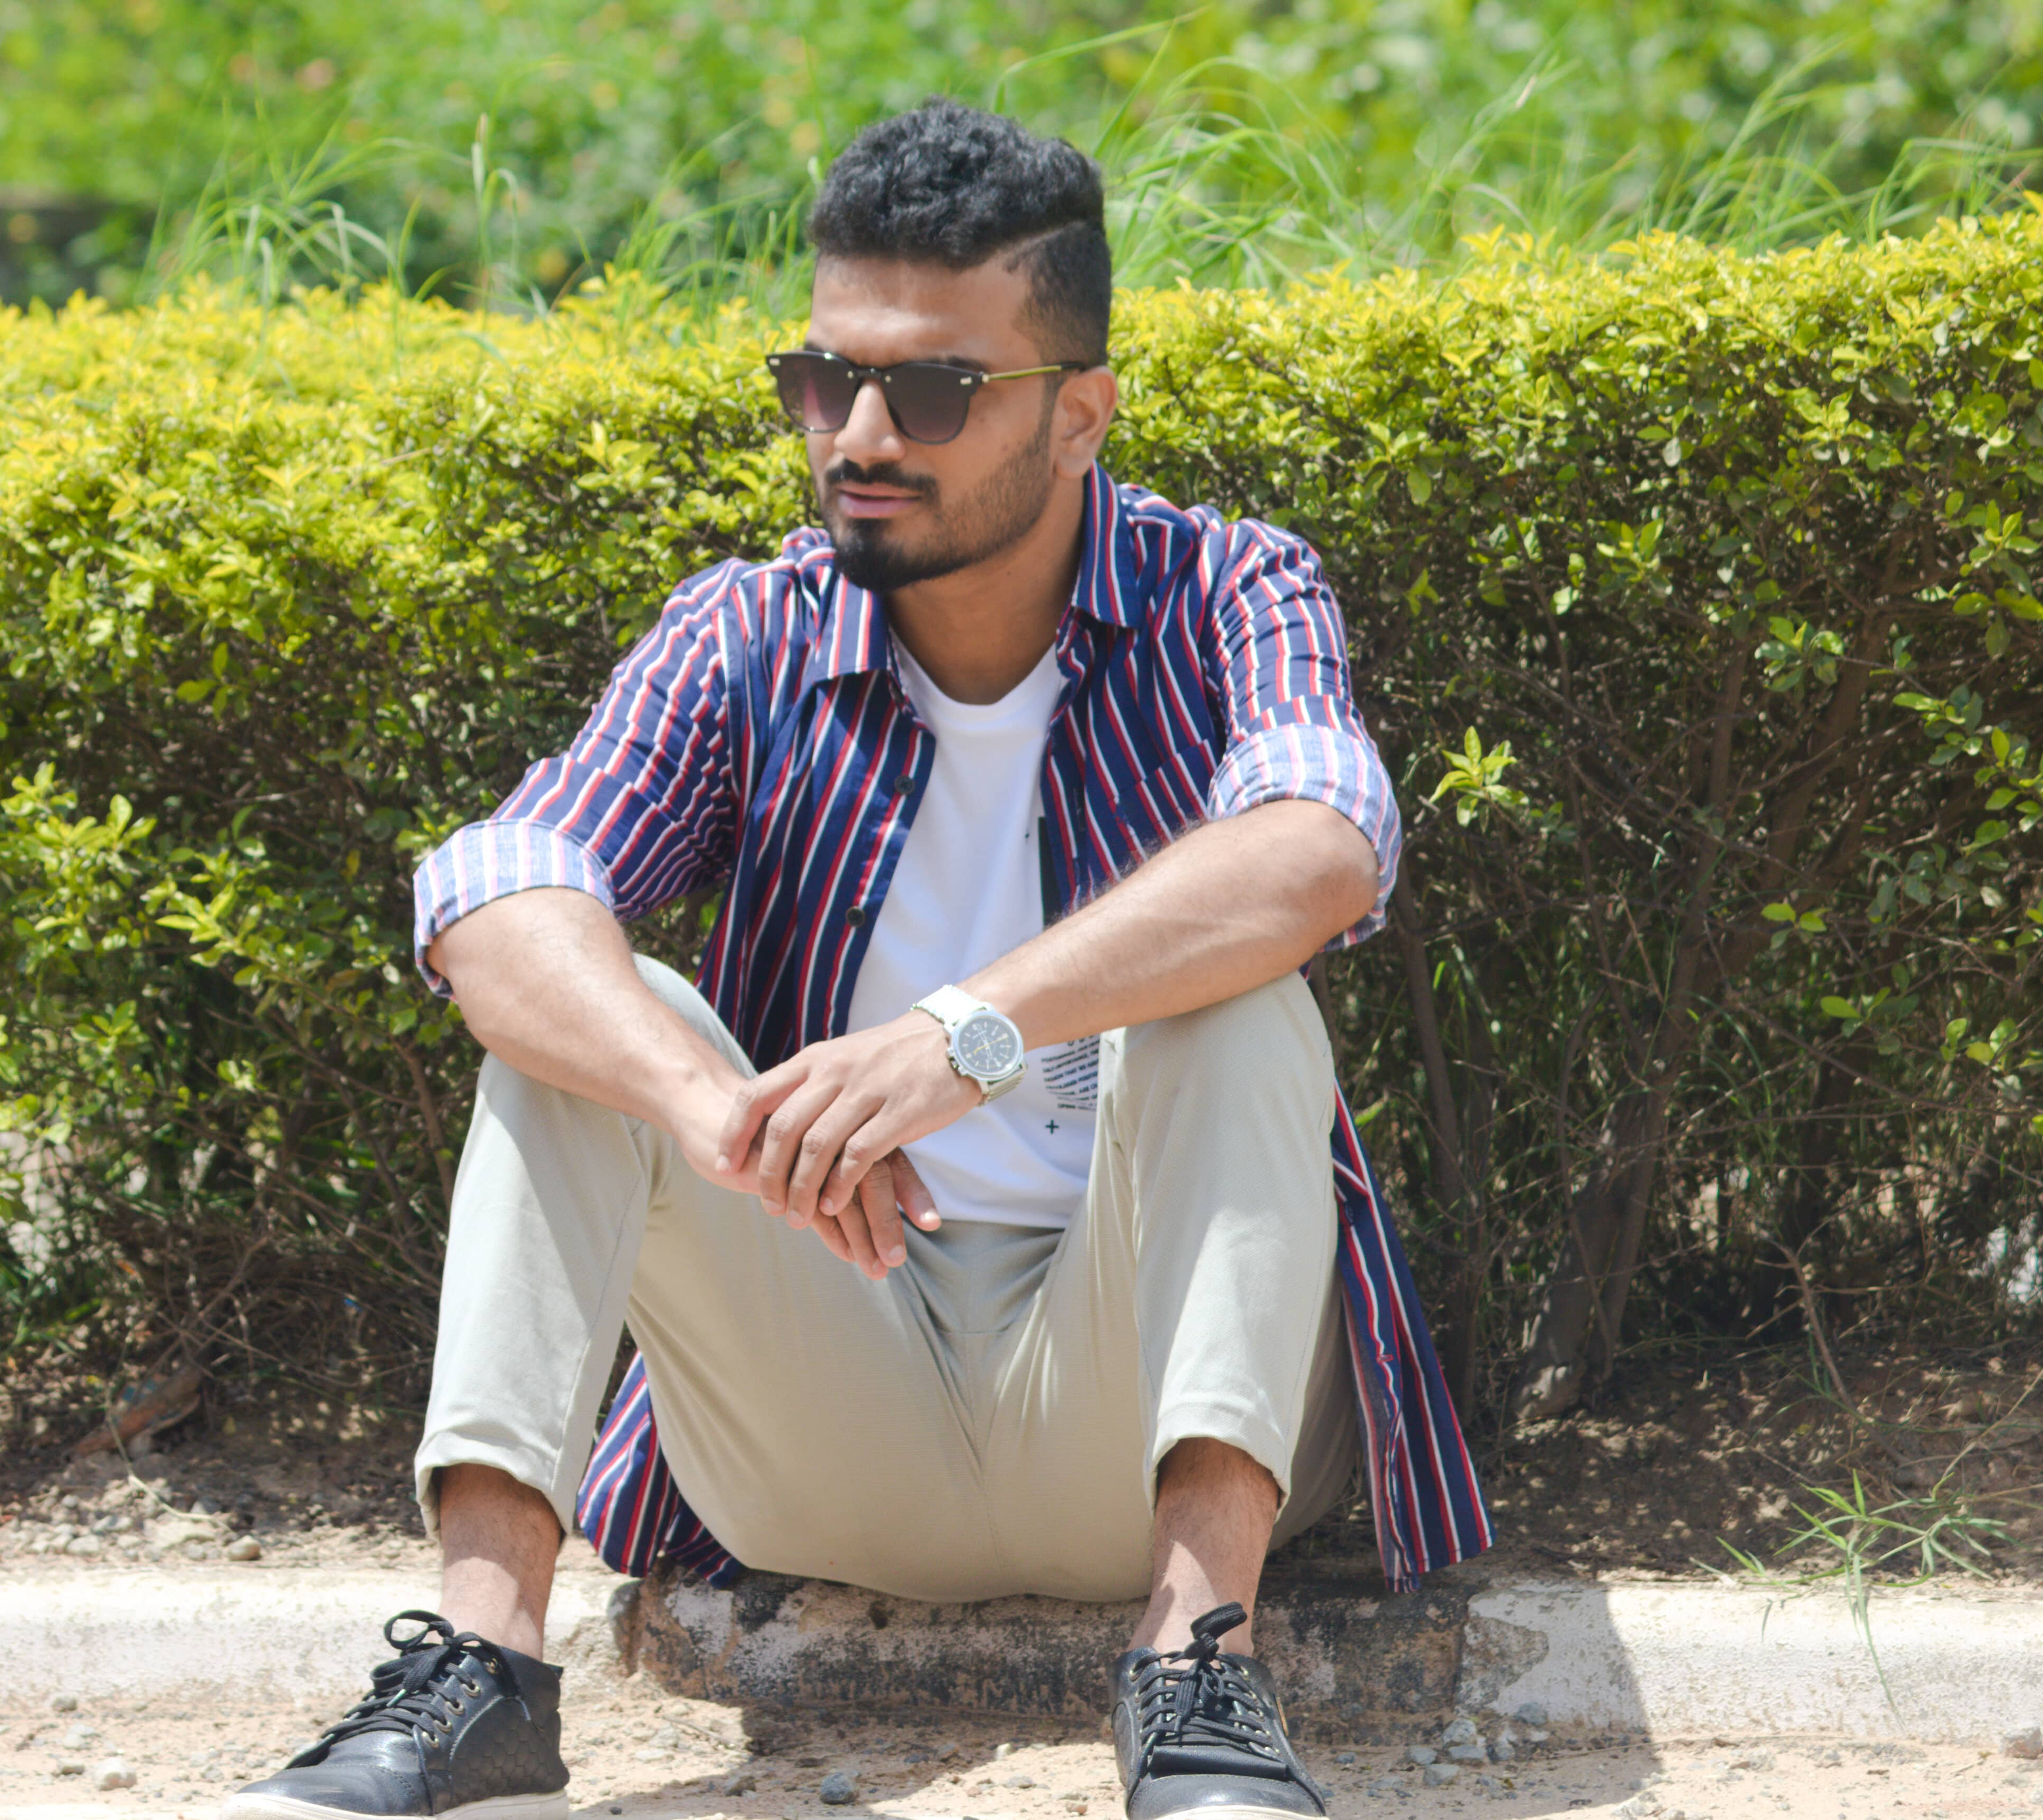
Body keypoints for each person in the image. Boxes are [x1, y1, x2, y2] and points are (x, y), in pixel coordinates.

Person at [224, 98, 1487, 1820]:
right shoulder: (743, 628)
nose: (860, 435)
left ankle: (1198, 1673)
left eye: (935, 390)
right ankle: (481, 1672)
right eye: (823, 381)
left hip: (1151, 1401)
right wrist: (711, 1110)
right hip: (831, 1403)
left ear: (1081, 410)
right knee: (589, 1020)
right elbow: (496, 891)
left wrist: (964, 1032)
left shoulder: (1225, 593)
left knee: (1233, 998)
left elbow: (1320, 842)